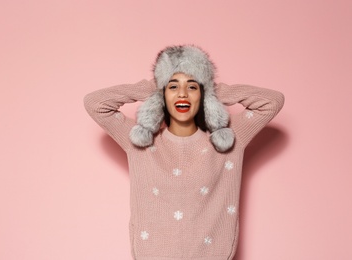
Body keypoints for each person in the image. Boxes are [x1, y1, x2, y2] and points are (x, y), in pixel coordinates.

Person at [84, 45, 284, 260]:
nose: (182, 94)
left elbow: (271, 102)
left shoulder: (229, 139)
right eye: (172, 87)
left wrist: (211, 88)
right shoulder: (139, 141)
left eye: (192, 87)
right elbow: (95, 103)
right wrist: (154, 86)